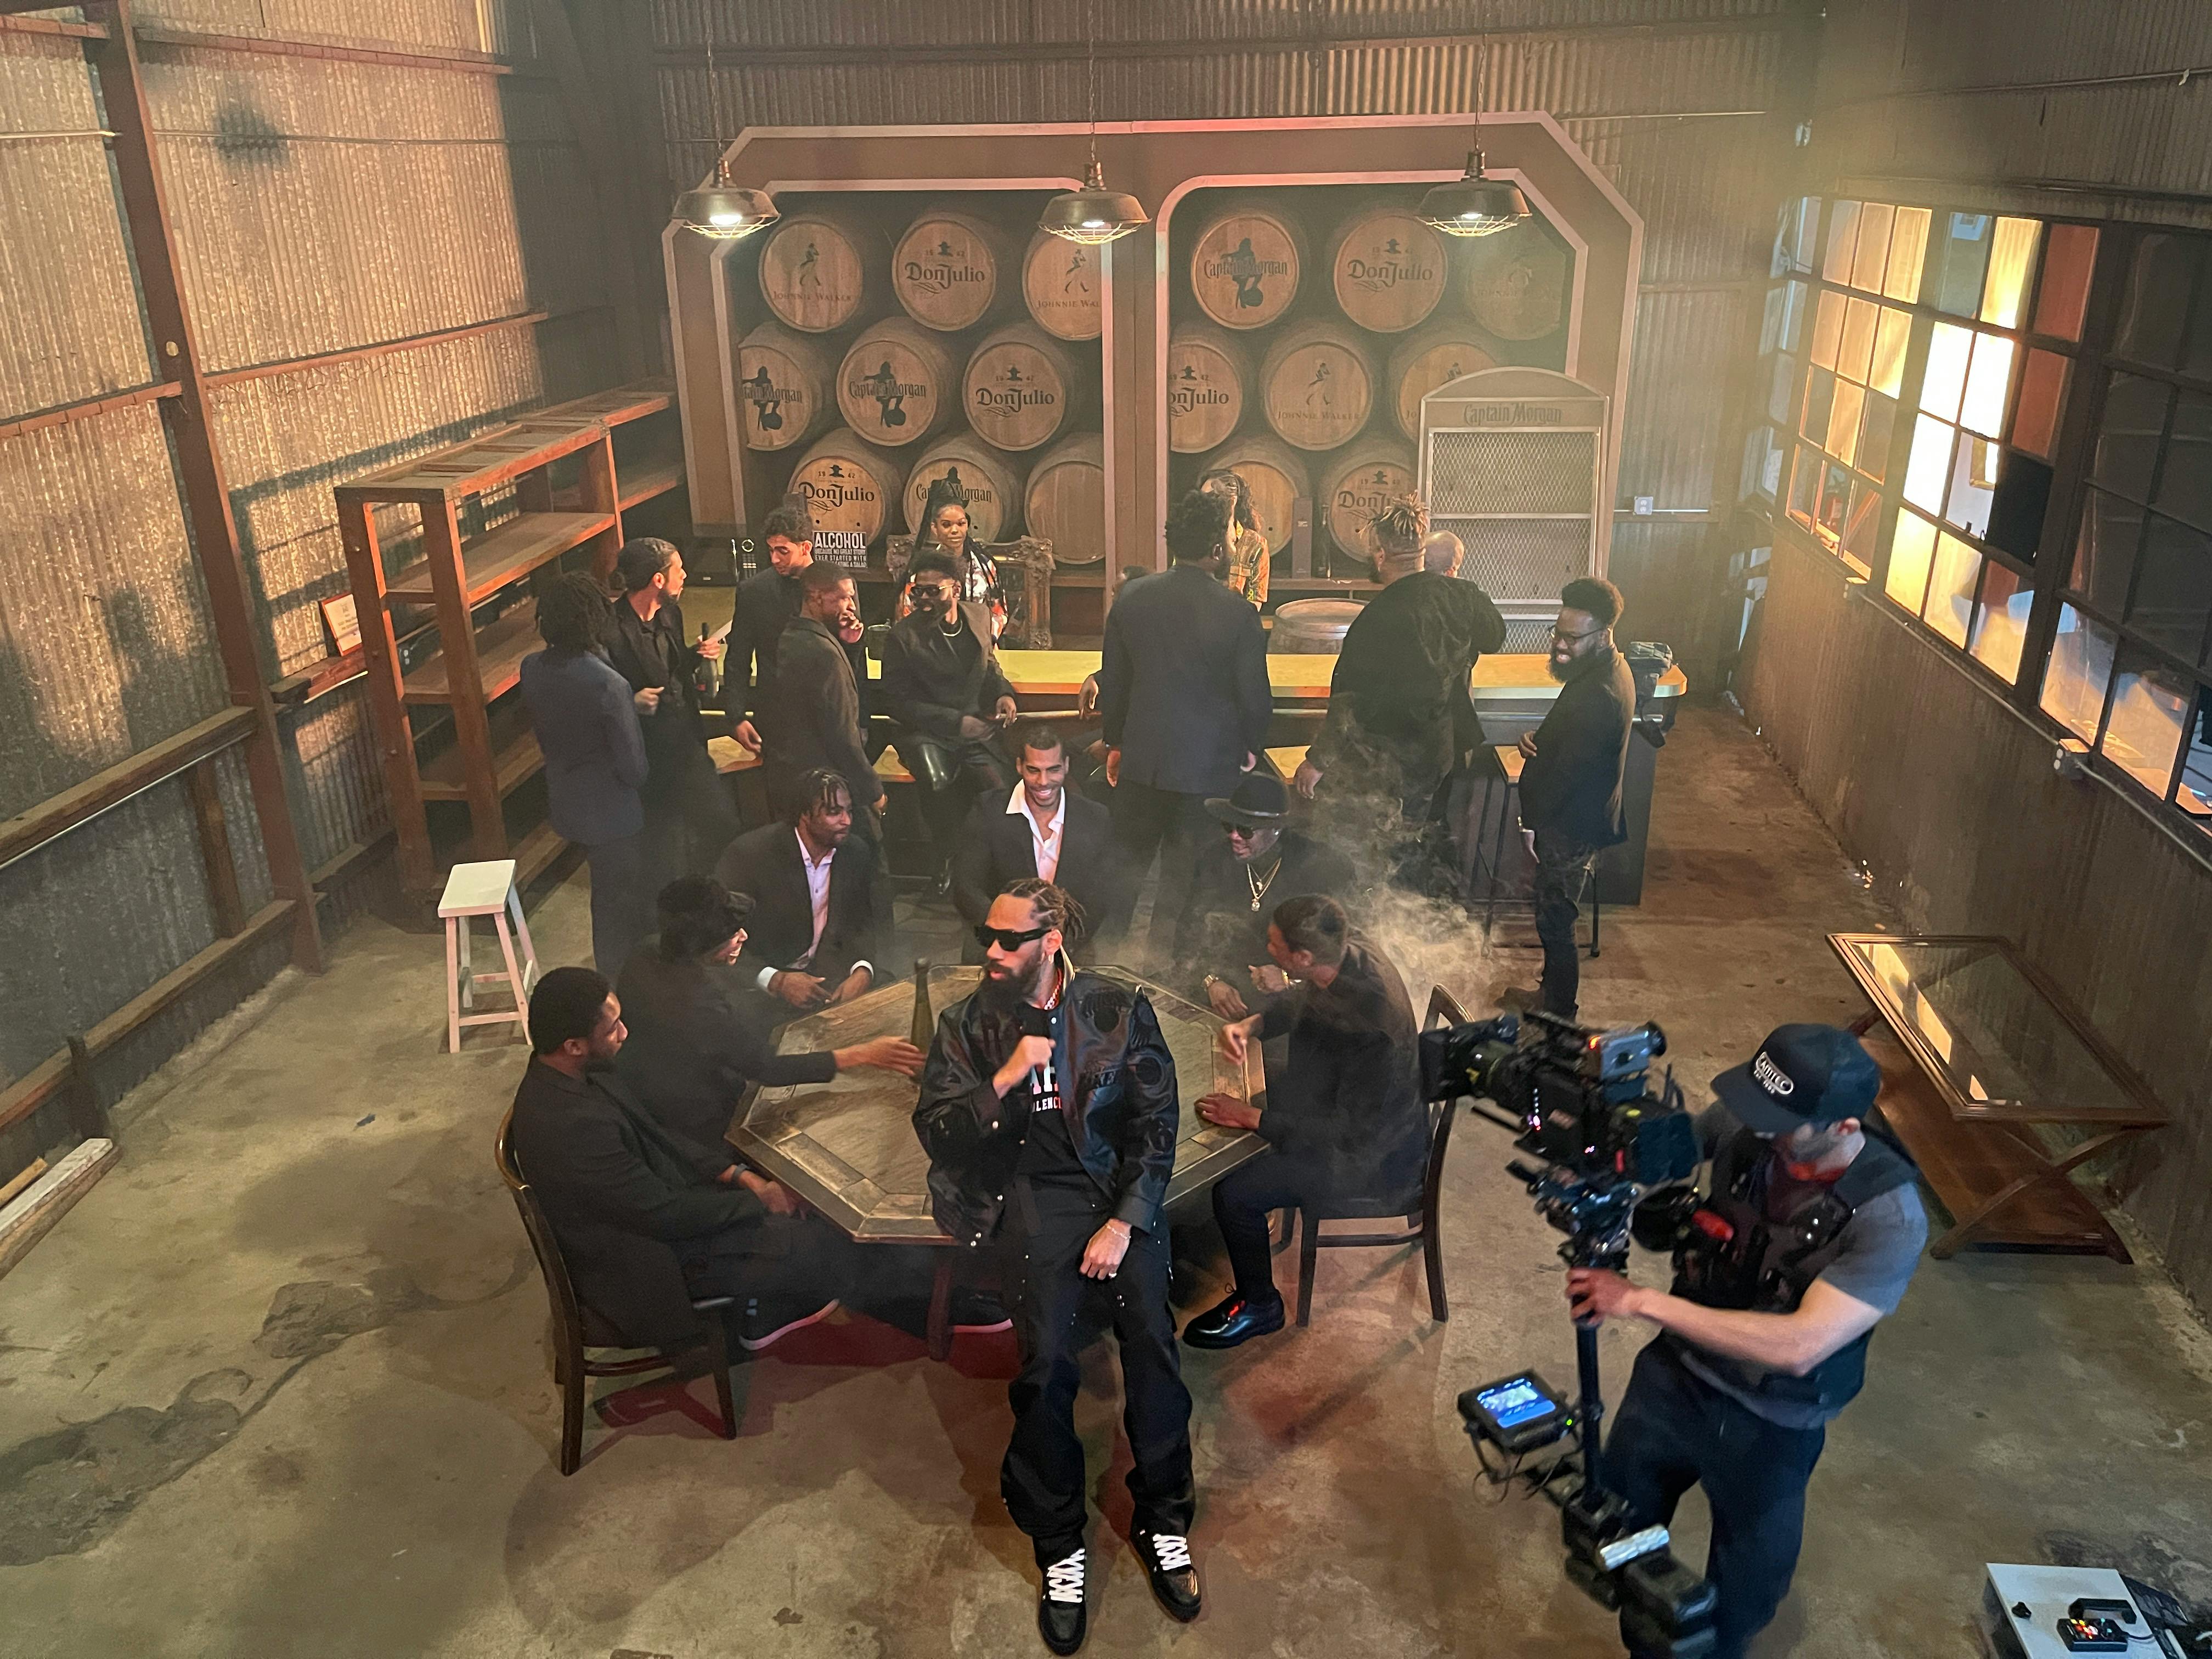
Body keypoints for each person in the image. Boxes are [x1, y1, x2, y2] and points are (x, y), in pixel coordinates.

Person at [1566, 1024, 1928, 1659]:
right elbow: (1660, 1152)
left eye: (1781, 1121)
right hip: (1675, 1377)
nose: (1758, 1127)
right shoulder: (1749, 1118)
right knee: (1620, 1531)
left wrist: (1639, 1301)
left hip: (1773, 1421)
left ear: (1844, 1126)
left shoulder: (1888, 1216)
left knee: (1743, 1600)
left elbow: (1801, 1345)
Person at [912, 880, 1199, 1652]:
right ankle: (1059, 1539)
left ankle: (1164, 1516)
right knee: (1045, 1365)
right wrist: (1004, 1077)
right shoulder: (967, 1023)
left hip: (1110, 1188)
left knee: (1154, 1346)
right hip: (1028, 1193)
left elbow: (1157, 1122)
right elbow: (937, 1132)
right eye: (988, 935)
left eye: (1010, 940)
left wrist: (1126, 1220)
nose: (992, 951)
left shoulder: (1115, 1007)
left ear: (1052, 941)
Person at [505, 966, 843, 1354]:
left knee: (774, 1192)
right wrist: (761, 1201)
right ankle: (761, 1312)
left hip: (647, 1207)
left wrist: (741, 1176)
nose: (625, 1033)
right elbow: (662, 1213)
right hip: (640, 1265)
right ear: (574, 1046)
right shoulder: (570, 1125)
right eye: (612, 1029)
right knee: (810, 1241)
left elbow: (657, 1133)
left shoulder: (568, 1073)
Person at [1183, 896, 1426, 1348]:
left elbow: (1348, 1135)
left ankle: (1260, 1305)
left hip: (1371, 1160)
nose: (1268, 948)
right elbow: (1304, 996)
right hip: (1336, 1104)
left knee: (1234, 1195)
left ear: (1303, 958)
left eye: (1275, 944)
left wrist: (1254, 1118)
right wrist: (1254, 1024)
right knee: (1242, 1097)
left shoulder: (1371, 1028)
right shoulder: (1348, 949)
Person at [614, 876, 922, 1152]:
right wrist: (864, 1054)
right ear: (704, 947)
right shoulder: (696, 1006)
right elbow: (767, 1068)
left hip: (652, 1078)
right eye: (732, 935)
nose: (743, 937)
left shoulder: (648, 950)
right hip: (692, 1115)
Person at [1293, 498, 1505, 894]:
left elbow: (1348, 703)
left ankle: (1393, 908)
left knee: (1386, 849)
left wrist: (1317, 761)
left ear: (1380, 554)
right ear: (1421, 551)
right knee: (1427, 837)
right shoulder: (1463, 595)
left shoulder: (1377, 618)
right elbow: (1494, 636)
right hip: (1443, 750)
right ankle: (1431, 910)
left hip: (1390, 762)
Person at [1098, 489, 1272, 960]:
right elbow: (1255, 696)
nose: (1232, 545)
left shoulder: (1132, 597)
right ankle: (1166, 972)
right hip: (1208, 771)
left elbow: (1114, 682)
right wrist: (1253, 745)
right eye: (1230, 539)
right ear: (1217, 550)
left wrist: (1114, 741)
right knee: (1184, 881)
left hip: (1142, 761)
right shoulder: (1238, 612)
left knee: (1123, 874)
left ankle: (1103, 965)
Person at [517, 572, 653, 974]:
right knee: (617, 906)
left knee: (605, 899)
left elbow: (572, 714)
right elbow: (635, 769)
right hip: (612, 812)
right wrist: (628, 709)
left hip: (566, 796)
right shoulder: (609, 685)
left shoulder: (532, 667)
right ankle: (619, 980)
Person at [1514, 575, 1635, 1020]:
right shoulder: (1605, 669)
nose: (1561, 646)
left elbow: (1565, 775)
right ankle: (1550, 999)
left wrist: (1531, 823)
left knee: (1556, 923)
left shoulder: (1600, 694)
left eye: (1572, 638)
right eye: (1558, 633)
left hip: (1569, 823)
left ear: (1603, 635)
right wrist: (1539, 739)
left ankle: (1558, 1015)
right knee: (1554, 918)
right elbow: (1570, 742)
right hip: (1577, 815)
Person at [603, 537, 739, 890]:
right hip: (650, 753)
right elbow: (598, 697)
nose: (686, 576)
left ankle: (710, 893)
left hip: (686, 739)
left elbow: (672, 672)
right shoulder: (611, 630)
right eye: (678, 569)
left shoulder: (670, 613)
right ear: (658, 580)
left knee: (720, 822)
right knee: (663, 844)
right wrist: (630, 702)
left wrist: (696, 655)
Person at [1175, 773, 1353, 1019]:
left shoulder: (1318, 869)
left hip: (1290, 996)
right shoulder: (1215, 859)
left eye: (1246, 830)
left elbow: (1341, 952)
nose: (1234, 836)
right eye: (1229, 826)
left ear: (1276, 829)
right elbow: (1187, 930)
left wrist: (1289, 978)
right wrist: (1210, 981)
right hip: (1220, 982)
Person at [714, 769, 887, 1020]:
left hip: (826, 974)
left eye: (849, 811)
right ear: (805, 815)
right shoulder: (750, 855)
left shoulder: (855, 852)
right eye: (834, 812)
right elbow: (717, 941)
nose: (847, 821)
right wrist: (777, 980)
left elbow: (861, 924)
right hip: (760, 983)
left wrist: (862, 971)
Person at [881, 545, 1019, 859]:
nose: (924, 600)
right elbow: (898, 703)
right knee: (938, 782)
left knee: (1000, 787)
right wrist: (956, 723)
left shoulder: (979, 616)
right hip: (926, 732)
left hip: (974, 729)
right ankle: (946, 860)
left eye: (933, 591)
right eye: (918, 592)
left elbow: (989, 665)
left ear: (955, 590)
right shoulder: (903, 636)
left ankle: (996, 859)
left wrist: (1004, 693)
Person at [952, 723, 1129, 958]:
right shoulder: (987, 811)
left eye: (1053, 770)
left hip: (1068, 944)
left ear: (1066, 766)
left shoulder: (1095, 817)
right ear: (1019, 766)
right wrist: (1010, 936)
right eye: (1033, 770)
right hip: (999, 942)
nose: (1043, 781)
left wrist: (1062, 941)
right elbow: (966, 887)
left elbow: (1101, 894)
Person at [762, 562, 885, 842]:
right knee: (867, 853)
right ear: (817, 597)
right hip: (828, 784)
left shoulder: (795, 636)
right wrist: (874, 791)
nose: (851, 606)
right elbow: (842, 736)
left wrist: (850, 645)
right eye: (844, 598)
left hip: (808, 780)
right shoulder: (822, 653)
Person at [727, 504, 816, 757]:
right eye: (771, 550)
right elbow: (738, 658)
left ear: (806, 547)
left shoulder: (836, 585)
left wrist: (860, 720)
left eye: (783, 551)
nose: (775, 559)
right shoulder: (753, 591)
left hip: (825, 712)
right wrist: (736, 715)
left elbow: (852, 658)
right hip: (776, 715)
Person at [916, 473, 1005, 636]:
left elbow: (999, 613)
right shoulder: (925, 569)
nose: (955, 530)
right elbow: (911, 614)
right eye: (946, 525)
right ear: (935, 528)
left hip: (979, 641)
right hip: (934, 643)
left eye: (961, 523)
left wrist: (985, 639)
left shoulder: (985, 566)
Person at [1195, 466, 1268, 607]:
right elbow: (1180, 582)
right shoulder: (1192, 537)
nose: (1205, 503)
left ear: (1233, 500)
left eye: (1213, 497)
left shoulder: (1255, 544)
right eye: (1202, 498)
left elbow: (1255, 600)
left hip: (1236, 617)